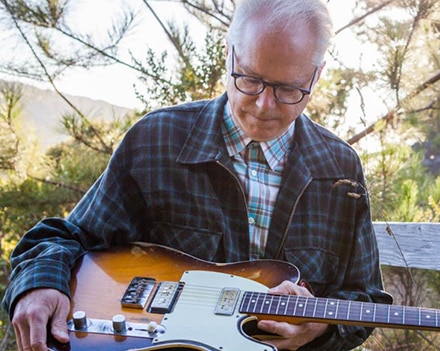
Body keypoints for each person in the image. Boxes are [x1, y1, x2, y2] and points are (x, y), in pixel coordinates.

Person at [2, 0, 392, 350]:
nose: (263, 104)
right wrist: (39, 284)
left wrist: (319, 329)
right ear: (229, 54)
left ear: (317, 75)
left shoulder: (340, 168)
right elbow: (67, 238)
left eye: (289, 89)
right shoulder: (157, 139)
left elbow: (365, 298)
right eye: (250, 79)